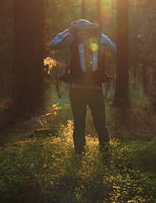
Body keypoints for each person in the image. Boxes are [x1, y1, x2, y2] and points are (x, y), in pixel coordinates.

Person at [49, 19, 116, 154]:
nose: (80, 33)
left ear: (88, 30)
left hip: (88, 90)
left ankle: (96, 156)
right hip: (85, 90)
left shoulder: (87, 39)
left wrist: (68, 31)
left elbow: (113, 49)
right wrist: (68, 31)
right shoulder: (83, 39)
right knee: (89, 125)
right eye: (77, 30)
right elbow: (53, 45)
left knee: (92, 126)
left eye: (82, 30)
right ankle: (91, 156)